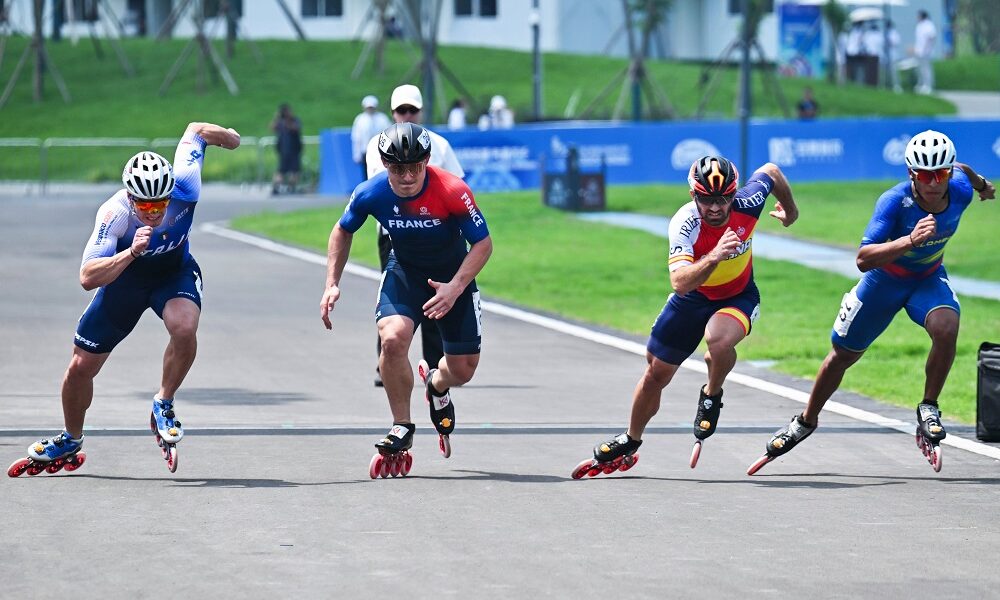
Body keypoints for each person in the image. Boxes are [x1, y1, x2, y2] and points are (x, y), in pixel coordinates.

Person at [751, 131, 995, 474]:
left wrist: (983, 185)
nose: (933, 183)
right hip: (884, 281)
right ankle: (806, 420)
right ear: (911, 174)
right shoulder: (894, 202)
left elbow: (964, 170)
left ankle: (928, 407)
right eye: (925, 175)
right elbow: (863, 259)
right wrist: (909, 240)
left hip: (927, 279)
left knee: (947, 326)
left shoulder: (959, 188)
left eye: (940, 173)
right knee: (843, 356)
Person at [9, 122, 241, 476]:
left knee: (184, 326)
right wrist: (130, 253)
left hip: (173, 273)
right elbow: (87, 277)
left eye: (160, 202)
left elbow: (196, 132)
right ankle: (71, 438)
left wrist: (227, 137)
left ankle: (163, 402)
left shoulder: (186, 182)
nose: (154, 211)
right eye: (145, 204)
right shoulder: (114, 214)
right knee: (79, 368)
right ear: (131, 198)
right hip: (124, 282)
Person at [573, 156, 799, 477]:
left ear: (734, 194)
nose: (716, 208)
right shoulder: (685, 222)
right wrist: (715, 255)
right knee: (655, 374)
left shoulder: (748, 203)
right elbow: (679, 283)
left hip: (738, 296)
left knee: (717, 343)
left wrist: (791, 211)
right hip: (692, 296)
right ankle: (631, 438)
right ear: (694, 196)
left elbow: (772, 172)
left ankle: (712, 394)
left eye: (723, 199)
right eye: (707, 200)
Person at [321, 122, 492, 466]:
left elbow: (483, 244)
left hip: (452, 277)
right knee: (393, 339)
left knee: (463, 370)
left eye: (415, 167)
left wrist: (456, 286)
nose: (408, 176)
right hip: (406, 272)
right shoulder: (371, 192)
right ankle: (401, 425)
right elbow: (342, 230)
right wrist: (332, 282)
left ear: (426, 160)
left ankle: (437, 386)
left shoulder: (452, 190)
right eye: (398, 168)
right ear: (385, 164)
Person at [365, 84, 465, 387]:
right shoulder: (378, 145)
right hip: (395, 233)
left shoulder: (439, 145)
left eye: (412, 110)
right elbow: (380, 186)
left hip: (438, 235)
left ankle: (434, 365)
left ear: (420, 112)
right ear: (393, 112)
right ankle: (388, 364)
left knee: (435, 298)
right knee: (393, 299)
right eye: (401, 110)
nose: (407, 115)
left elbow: (457, 185)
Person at [351, 94, 391, 183]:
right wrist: (356, 153)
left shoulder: (382, 119)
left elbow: (389, 134)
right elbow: (356, 138)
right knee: (367, 172)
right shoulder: (360, 119)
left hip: (380, 151)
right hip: (365, 150)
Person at [271, 103, 302, 194]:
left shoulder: (295, 120)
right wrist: (277, 117)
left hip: (295, 150)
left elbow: (296, 128)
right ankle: (276, 187)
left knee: (295, 171)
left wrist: (288, 120)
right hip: (284, 151)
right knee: (281, 171)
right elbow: (272, 127)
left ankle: (291, 188)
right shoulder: (280, 122)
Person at [913, 10, 937, 94]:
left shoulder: (929, 25)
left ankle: (928, 85)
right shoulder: (919, 25)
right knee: (920, 69)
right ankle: (922, 84)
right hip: (919, 51)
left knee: (926, 69)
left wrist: (927, 49)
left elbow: (931, 37)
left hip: (926, 51)